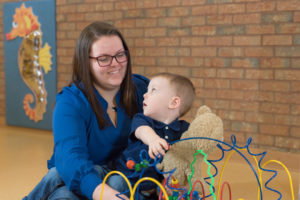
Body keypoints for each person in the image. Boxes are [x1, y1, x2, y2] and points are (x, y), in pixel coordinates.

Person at [22, 21, 148, 200]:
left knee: (120, 184)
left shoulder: (142, 89)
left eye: (120, 55)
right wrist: (103, 193)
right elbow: (70, 158)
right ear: (85, 62)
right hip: (78, 176)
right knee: (64, 195)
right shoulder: (70, 101)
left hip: (121, 175)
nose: (116, 64)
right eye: (103, 58)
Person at [111, 72, 196, 198]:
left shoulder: (184, 130)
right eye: (147, 90)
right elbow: (141, 130)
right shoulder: (143, 120)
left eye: (153, 90)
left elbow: (189, 154)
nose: (145, 95)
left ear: (173, 103)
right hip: (128, 180)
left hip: (155, 188)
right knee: (115, 183)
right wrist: (153, 140)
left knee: (186, 194)